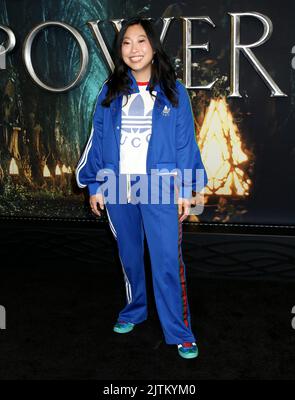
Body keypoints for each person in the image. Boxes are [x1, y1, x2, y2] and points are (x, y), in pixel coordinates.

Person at [76, 17, 208, 359]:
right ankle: (134, 310)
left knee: (166, 260)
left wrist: (186, 189)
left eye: (140, 42)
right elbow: (98, 140)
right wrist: (94, 185)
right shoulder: (110, 90)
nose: (133, 50)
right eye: (126, 43)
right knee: (130, 257)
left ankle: (179, 331)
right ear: (120, 50)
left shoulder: (172, 91)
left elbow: (185, 144)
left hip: (161, 187)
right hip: (117, 186)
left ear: (153, 47)